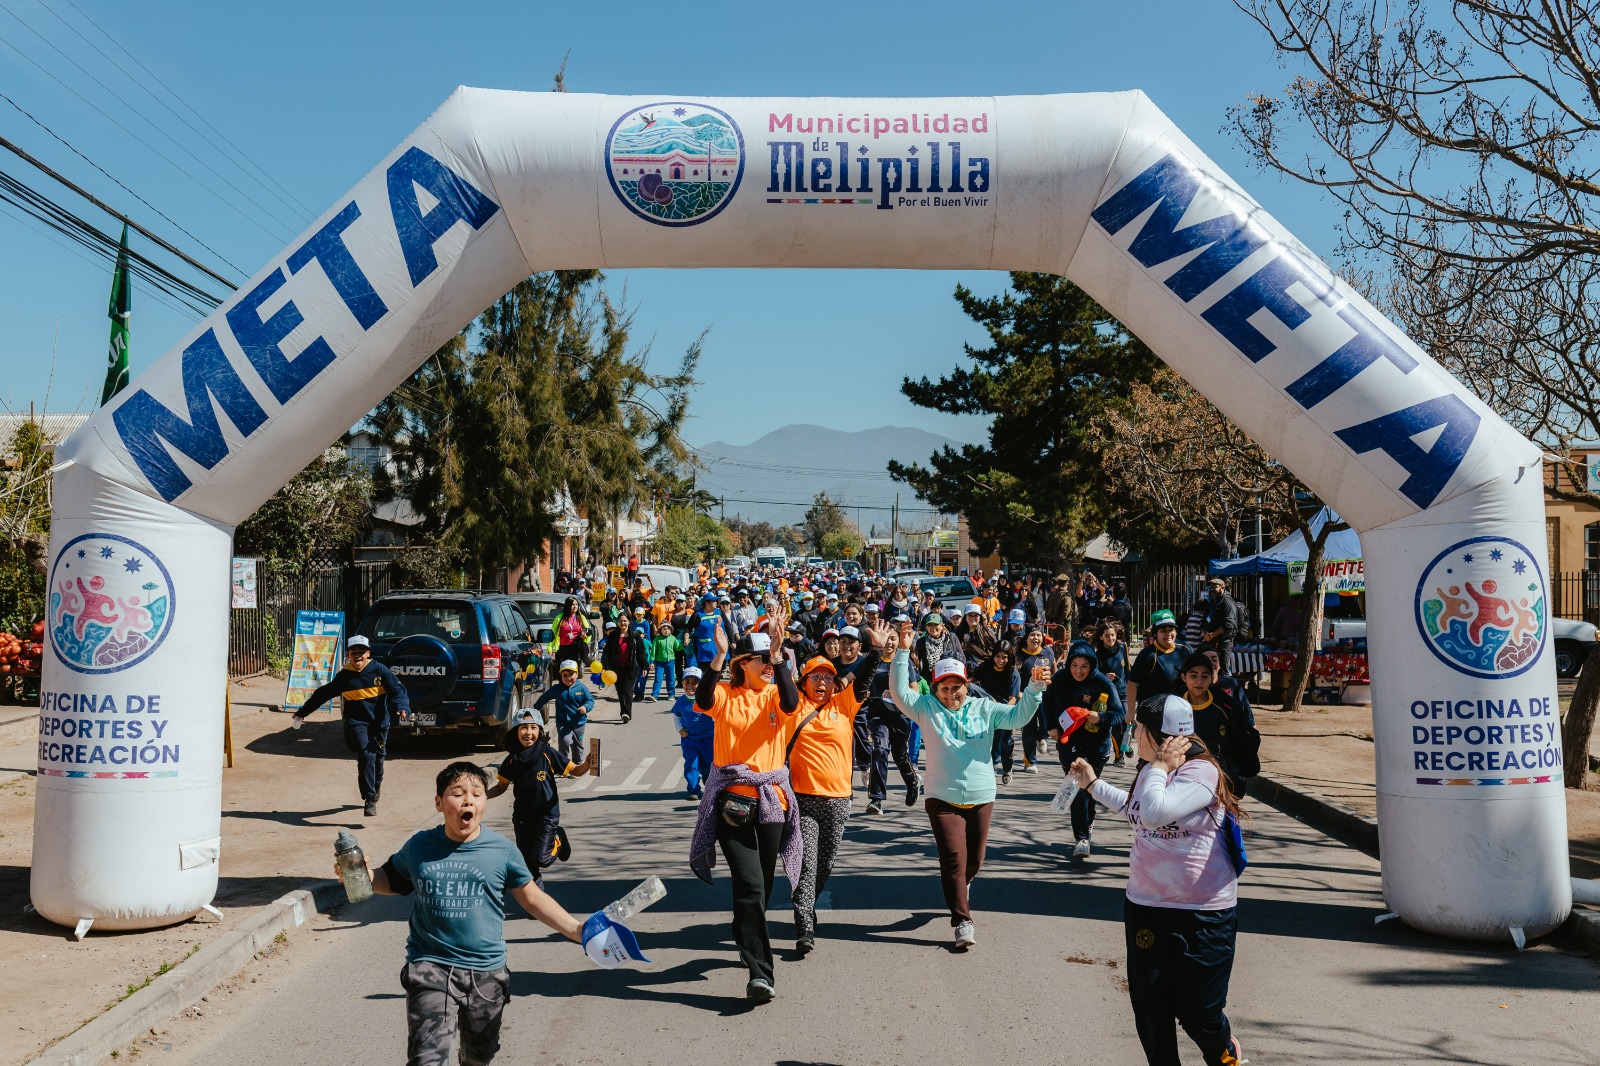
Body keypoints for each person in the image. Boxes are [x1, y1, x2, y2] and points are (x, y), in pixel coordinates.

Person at [337, 761, 585, 1066]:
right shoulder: (420, 846)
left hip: (486, 971)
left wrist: (577, 930)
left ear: (484, 802)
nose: (468, 800)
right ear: (439, 803)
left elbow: (533, 899)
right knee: (427, 1057)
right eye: (457, 793)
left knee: (480, 1056)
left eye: (477, 794)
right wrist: (364, 875)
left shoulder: (502, 851)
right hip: (430, 967)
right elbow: (394, 879)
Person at [1069, 697, 1246, 1066]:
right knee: (1151, 1011)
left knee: (1200, 1013)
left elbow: (1153, 811)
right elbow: (1136, 808)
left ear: (1159, 734)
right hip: (1147, 907)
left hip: (1203, 913)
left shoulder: (1202, 773)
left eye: (1138, 727)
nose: (1133, 733)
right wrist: (1093, 785)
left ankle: (1224, 1052)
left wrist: (1160, 764)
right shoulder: (1155, 771)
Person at [879, 617, 1045, 948]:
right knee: (954, 859)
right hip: (942, 796)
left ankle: (961, 888)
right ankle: (962, 921)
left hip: (982, 795)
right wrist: (902, 651)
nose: (951, 693)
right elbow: (898, 693)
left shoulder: (984, 708)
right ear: (935, 687)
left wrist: (1034, 690)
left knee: (974, 861)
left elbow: (1017, 718)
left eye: (957, 686)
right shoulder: (925, 708)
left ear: (966, 685)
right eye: (944, 687)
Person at [687, 608, 802, 1003]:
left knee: (763, 886)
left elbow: (791, 704)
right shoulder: (725, 695)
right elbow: (703, 697)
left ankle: (745, 934)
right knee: (749, 885)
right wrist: (716, 659)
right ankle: (760, 974)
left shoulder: (777, 691)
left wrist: (779, 654)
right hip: (732, 803)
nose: (768, 665)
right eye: (762, 660)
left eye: (771, 659)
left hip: (772, 801)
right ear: (743, 664)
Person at [788, 644, 878, 955]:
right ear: (804, 680)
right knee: (808, 863)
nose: (822, 682)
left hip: (839, 800)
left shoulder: (844, 704)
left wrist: (877, 650)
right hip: (803, 799)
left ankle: (806, 902)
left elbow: (865, 677)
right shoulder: (795, 705)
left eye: (828, 676)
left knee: (824, 864)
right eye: (816, 676)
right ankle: (804, 925)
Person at [289, 634, 409, 817]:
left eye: (362, 651)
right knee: (366, 753)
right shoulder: (344, 677)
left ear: (368, 653)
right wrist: (303, 712)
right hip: (357, 722)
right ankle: (369, 799)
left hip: (379, 723)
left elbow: (398, 690)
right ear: (348, 654)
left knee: (378, 758)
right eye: (354, 652)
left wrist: (402, 707)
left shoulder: (380, 671)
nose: (358, 655)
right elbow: (323, 694)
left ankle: (375, 788)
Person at [487, 709, 595, 888]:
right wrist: (482, 796)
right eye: (523, 728)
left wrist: (586, 765)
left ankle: (558, 838)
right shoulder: (512, 759)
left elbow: (574, 771)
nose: (528, 732)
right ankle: (536, 900)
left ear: (540, 730)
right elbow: (500, 787)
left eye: (533, 728)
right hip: (522, 819)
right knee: (529, 864)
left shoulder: (547, 753)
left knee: (541, 858)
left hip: (546, 816)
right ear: (516, 731)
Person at [1044, 640, 1125, 857]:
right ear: (1068, 664)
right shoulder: (1059, 679)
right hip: (1069, 743)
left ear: (1092, 666)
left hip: (1097, 745)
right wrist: (1050, 726)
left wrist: (1099, 717)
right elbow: (1047, 702)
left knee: (1089, 790)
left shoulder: (1102, 683)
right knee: (1078, 789)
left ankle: (1088, 820)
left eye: (1084, 666)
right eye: (1074, 665)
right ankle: (1081, 838)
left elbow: (1119, 714)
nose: (1079, 671)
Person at [1179, 651, 1260, 797]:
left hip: (1221, 775)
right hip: (1184, 774)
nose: (1199, 681)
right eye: (1193, 675)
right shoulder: (1174, 704)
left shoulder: (1226, 705)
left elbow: (1242, 737)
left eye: (1205, 676)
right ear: (1183, 677)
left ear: (1212, 678)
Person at [973, 642, 1021, 784]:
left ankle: (1007, 768)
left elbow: (1013, 698)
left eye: (1004, 657)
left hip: (1006, 708)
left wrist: (1003, 711)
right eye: (998, 656)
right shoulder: (986, 667)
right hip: (988, 705)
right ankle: (991, 766)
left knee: (1006, 741)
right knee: (988, 739)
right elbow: (972, 682)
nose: (1001, 660)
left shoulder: (1013, 672)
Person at [1127, 610, 1192, 710]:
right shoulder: (1148, 655)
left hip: (1180, 709)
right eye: (1163, 631)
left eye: (1171, 629)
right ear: (1155, 634)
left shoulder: (1185, 649)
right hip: (1153, 713)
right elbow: (1132, 682)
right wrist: (1130, 712)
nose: (1168, 634)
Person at [534, 660, 595, 766]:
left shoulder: (582, 688)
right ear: (561, 676)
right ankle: (563, 764)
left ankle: (577, 763)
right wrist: (535, 709)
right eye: (564, 675)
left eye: (571, 674)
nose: (568, 678)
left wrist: (585, 707)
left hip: (579, 723)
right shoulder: (557, 689)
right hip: (563, 723)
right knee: (564, 742)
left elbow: (590, 700)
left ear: (577, 674)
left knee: (577, 745)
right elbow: (545, 697)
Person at [1015, 626, 1056, 772]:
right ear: (1026, 638)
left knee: (1046, 727)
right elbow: (1014, 678)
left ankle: (1041, 737)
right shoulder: (1018, 654)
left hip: (1045, 697)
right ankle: (1030, 762)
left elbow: (1054, 672)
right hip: (1026, 698)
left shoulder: (1048, 653)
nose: (1036, 638)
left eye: (1038, 635)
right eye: (1032, 635)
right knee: (1028, 731)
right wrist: (1017, 693)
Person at [672, 666, 713, 798]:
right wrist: (680, 730)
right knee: (692, 763)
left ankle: (710, 786)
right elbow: (676, 716)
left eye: (695, 682)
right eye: (687, 682)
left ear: (701, 684)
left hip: (708, 738)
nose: (690, 686)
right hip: (689, 739)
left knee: (708, 765)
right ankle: (694, 789)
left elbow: (717, 716)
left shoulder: (707, 699)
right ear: (682, 683)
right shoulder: (681, 702)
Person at [1096, 621, 1132, 764]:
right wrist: (1105, 677)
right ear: (1101, 637)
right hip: (1108, 695)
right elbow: (1095, 675)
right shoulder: (1098, 655)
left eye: (1113, 635)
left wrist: (1132, 687)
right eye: (1107, 636)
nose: (1111, 638)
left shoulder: (1123, 648)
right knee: (1116, 725)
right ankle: (1119, 756)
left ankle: (1126, 745)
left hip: (1123, 692)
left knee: (1128, 722)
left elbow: (1128, 670)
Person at [602, 613, 647, 724]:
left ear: (629, 622)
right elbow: (607, 652)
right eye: (621, 621)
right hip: (616, 669)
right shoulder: (613, 636)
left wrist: (644, 666)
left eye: (625, 621)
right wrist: (605, 667)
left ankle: (625, 713)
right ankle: (625, 712)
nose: (623, 623)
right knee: (620, 691)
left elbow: (641, 652)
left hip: (631, 668)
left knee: (627, 690)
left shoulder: (635, 635)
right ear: (617, 622)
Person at [1200, 577, 1240, 675]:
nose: (1211, 589)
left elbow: (1229, 624)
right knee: (1208, 667)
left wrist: (1212, 635)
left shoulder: (1227, 602)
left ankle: (1223, 689)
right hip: (1210, 640)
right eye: (1210, 587)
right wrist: (1204, 632)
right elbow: (1206, 617)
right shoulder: (1213, 601)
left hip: (1223, 641)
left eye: (1215, 586)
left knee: (1221, 669)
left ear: (1222, 587)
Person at [547, 596, 593, 669]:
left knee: (573, 671)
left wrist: (585, 637)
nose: (575, 606)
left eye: (576, 604)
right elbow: (553, 634)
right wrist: (550, 648)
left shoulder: (581, 618)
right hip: (562, 649)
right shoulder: (559, 618)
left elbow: (588, 631)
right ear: (568, 606)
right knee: (562, 671)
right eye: (573, 604)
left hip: (576, 648)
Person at [647, 621, 680, 702]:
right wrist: (651, 662)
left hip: (670, 662)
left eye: (668, 629)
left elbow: (678, 647)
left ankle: (671, 694)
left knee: (671, 679)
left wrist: (685, 645)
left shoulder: (673, 638)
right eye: (664, 629)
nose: (666, 631)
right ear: (660, 630)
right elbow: (653, 651)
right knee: (658, 678)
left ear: (671, 630)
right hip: (659, 663)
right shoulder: (657, 639)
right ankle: (655, 695)